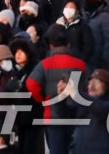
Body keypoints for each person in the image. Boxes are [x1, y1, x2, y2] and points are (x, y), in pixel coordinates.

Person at [25, 25, 87, 154]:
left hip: (52, 115)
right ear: (68, 44)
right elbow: (88, 88)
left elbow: (31, 84)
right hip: (76, 115)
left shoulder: (44, 64)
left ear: (50, 45)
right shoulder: (80, 64)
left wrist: (42, 99)